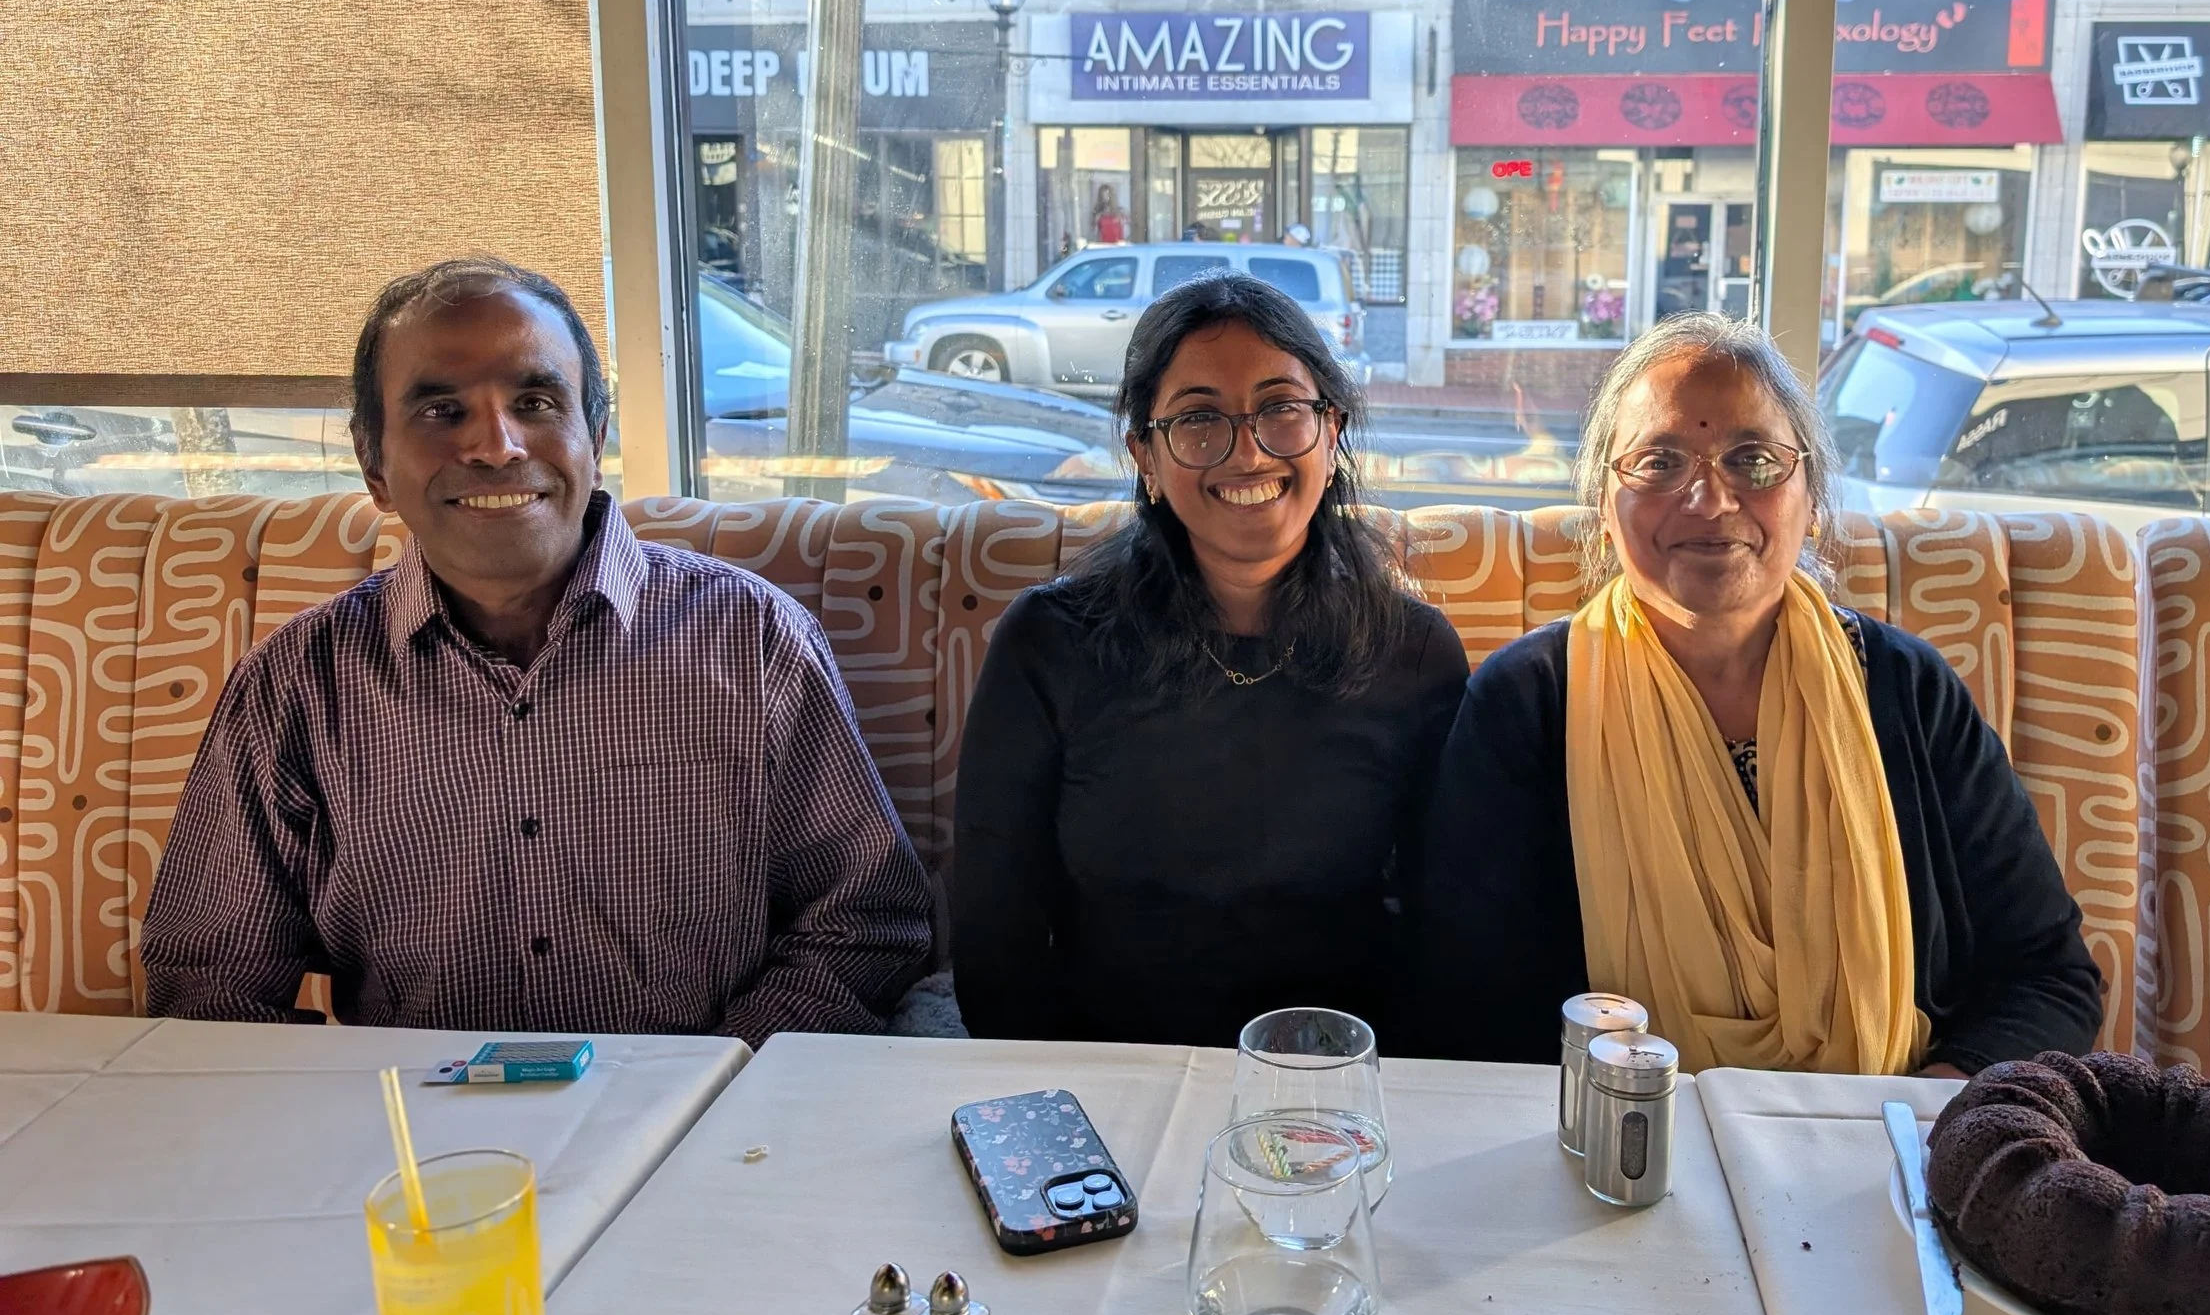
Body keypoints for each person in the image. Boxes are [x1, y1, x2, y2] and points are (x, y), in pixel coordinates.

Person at [141, 258, 932, 1042]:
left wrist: (715, 1082)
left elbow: (863, 922)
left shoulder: (750, 639)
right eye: (442, 410)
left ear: (596, 432)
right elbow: (210, 984)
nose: (496, 445)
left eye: (534, 400)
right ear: (373, 463)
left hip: (703, 1122)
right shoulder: (298, 684)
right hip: (417, 1143)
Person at [1408, 314, 2101, 1075]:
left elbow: (2049, 976)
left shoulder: (1907, 692)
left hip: (1883, 1147)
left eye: (1754, 460)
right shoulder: (1527, 703)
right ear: (1606, 509)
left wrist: (1911, 1116)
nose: (1708, 500)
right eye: (1659, 461)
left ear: (1810, 499)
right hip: (1615, 1150)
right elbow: (1463, 1005)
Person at [951, 273, 1468, 1047]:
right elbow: (997, 941)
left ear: (1331, 431)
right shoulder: (1050, 643)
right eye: (1198, 419)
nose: (1248, 452)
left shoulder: (1415, 650)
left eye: (1281, 410)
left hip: (1337, 1081)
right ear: (1145, 457)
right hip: (1111, 1072)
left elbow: (1448, 920)